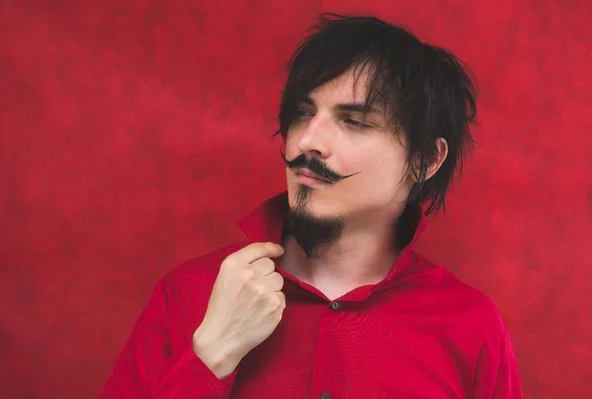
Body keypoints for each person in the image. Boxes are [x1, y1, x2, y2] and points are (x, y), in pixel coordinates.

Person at [99, 13, 523, 399]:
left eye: (354, 121)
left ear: (427, 160)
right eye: (303, 113)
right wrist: (210, 356)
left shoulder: (472, 327)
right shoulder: (188, 294)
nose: (306, 141)